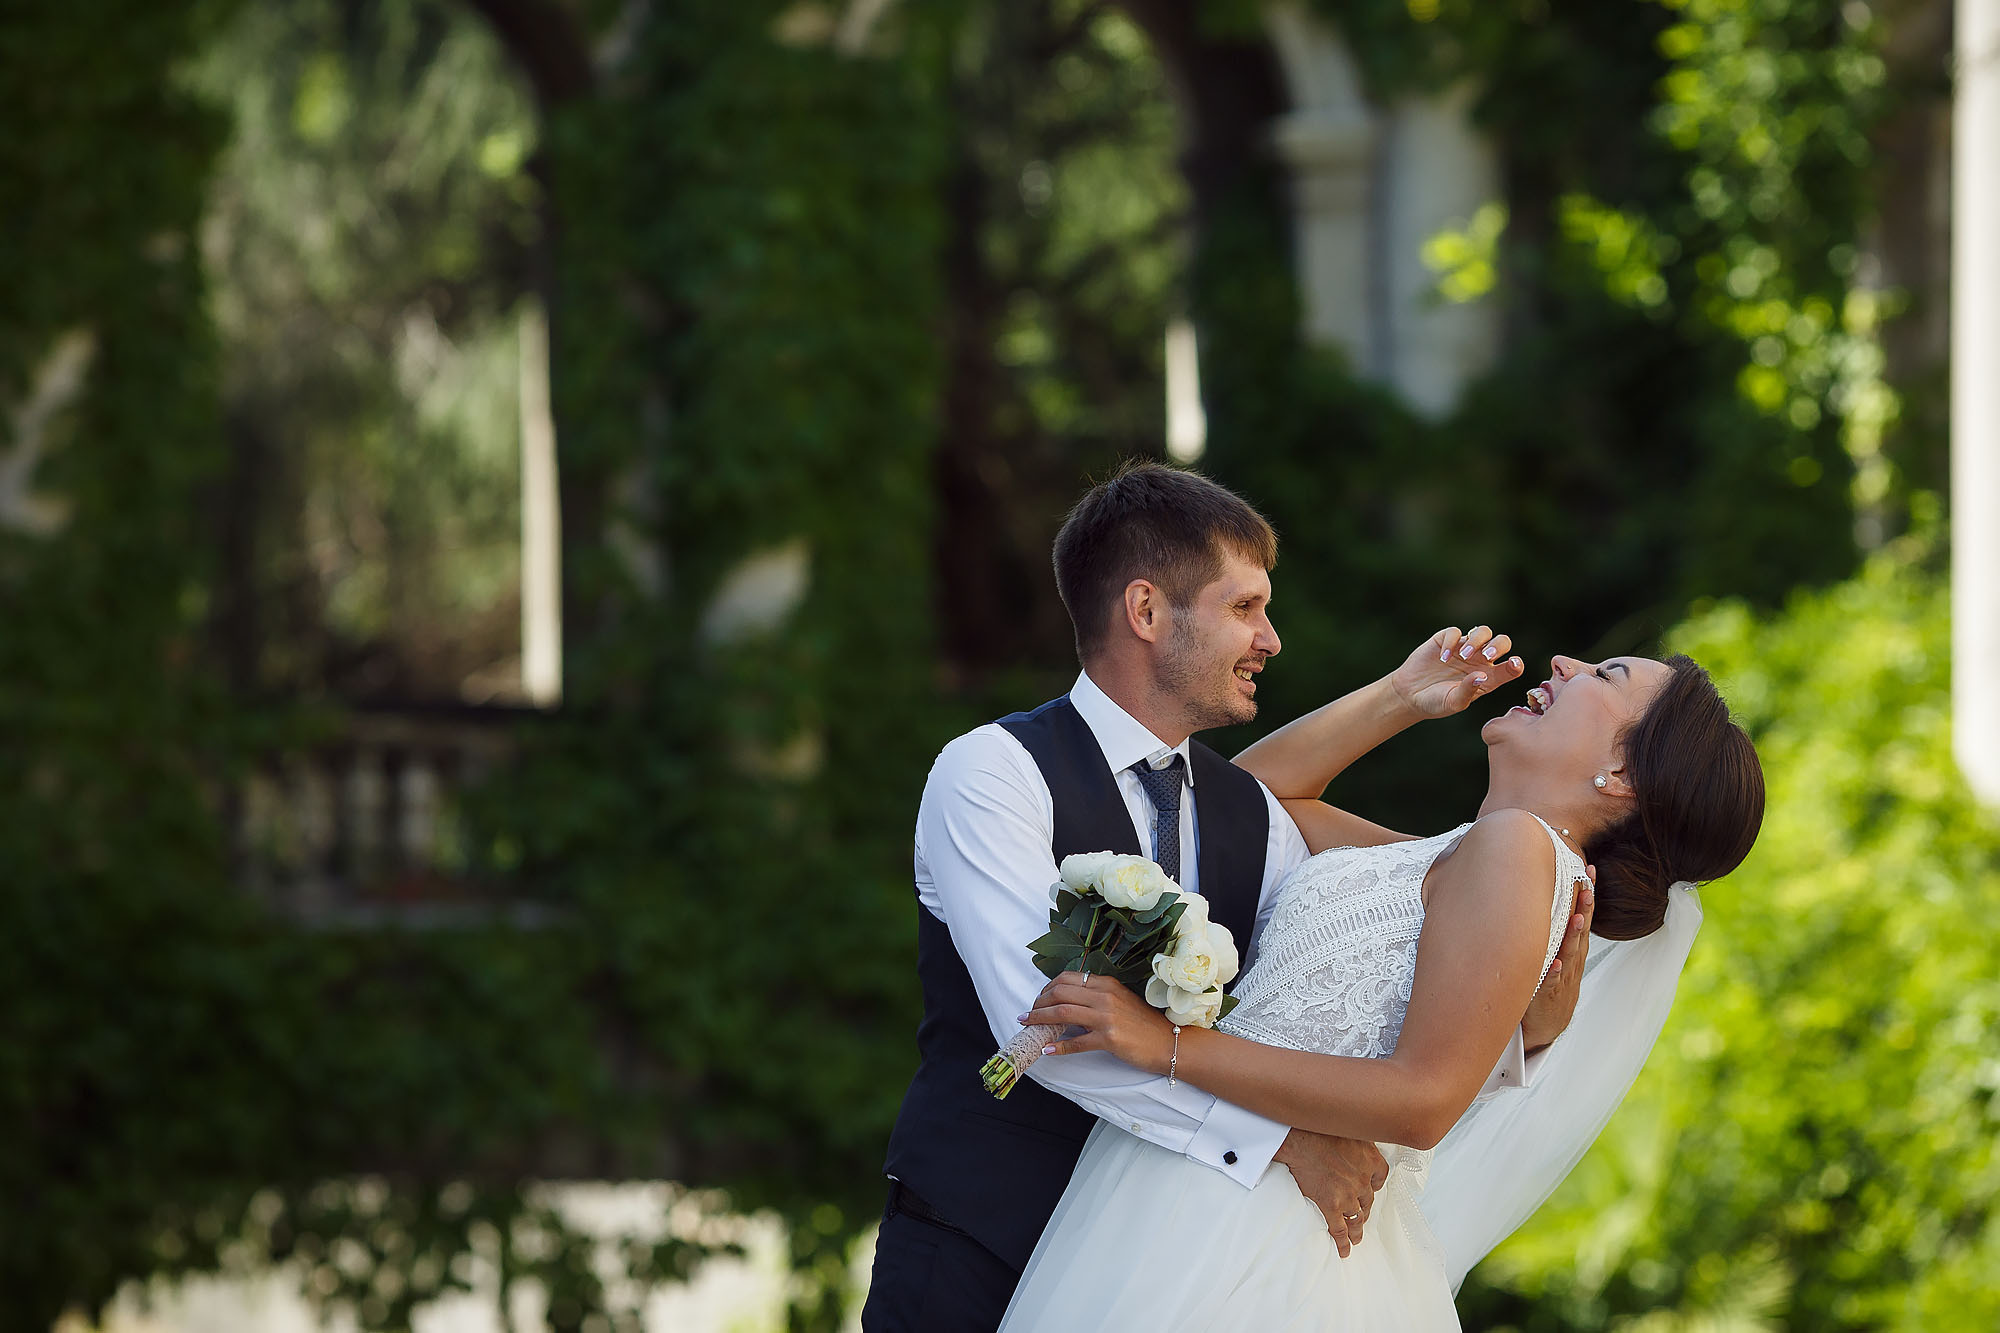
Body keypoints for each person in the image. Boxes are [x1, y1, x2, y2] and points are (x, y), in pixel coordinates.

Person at [860, 462, 1581, 1333]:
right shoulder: (993, 774)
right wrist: (1280, 1142)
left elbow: (1330, 992)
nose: (1271, 639)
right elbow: (1040, 1027)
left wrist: (1521, 1026)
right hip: (978, 1247)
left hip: (1150, 1276)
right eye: (1245, 608)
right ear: (1147, 612)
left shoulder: (1255, 816)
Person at [996, 632, 1764, 1331]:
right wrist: (1401, 695)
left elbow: (1423, 1099)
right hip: (1219, 1185)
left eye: (1607, 674)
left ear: (1624, 773)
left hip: (1254, 1231)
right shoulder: (1470, 855)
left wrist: (1168, 1045)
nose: (1566, 663)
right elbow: (1254, 806)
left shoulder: (1518, 851)